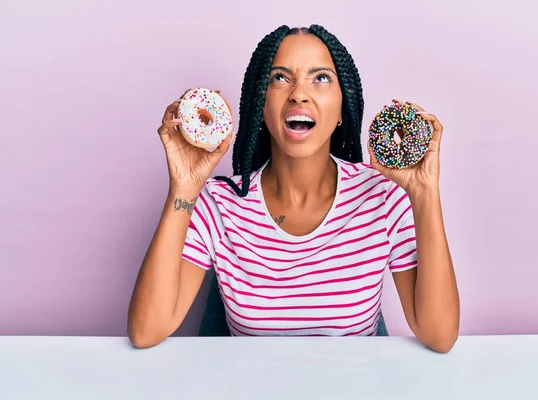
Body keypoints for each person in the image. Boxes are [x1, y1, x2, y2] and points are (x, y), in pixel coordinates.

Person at [127, 25, 459, 353]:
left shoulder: (382, 197)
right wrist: (183, 188)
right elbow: (145, 331)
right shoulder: (218, 205)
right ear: (260, 107)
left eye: (321, 78)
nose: (299, 93)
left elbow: (439, 336)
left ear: (344, 109)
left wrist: (425, 192)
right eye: (280, 78)